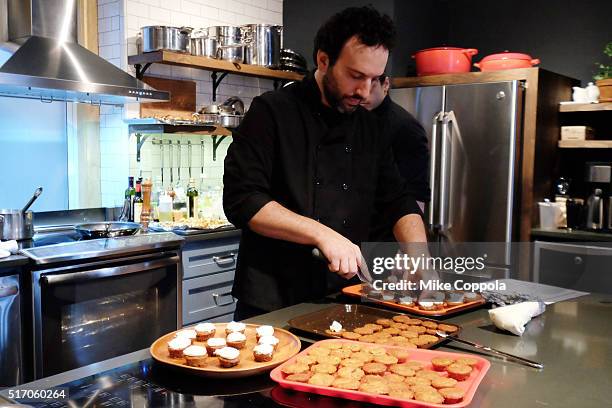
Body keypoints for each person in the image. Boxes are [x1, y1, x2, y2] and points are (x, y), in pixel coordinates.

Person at [223, 6, 428, 320]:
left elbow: (397, 200)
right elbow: (243, 200)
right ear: (323, 60)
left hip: (343, 298)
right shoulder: (271, 112)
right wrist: (322, 234)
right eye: (356, 76)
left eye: (375, 79)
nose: (364, 91)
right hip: (273, 304)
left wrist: (419, 258)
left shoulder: (370, 127)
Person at [362, 74, 430, 242]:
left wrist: (403, 252)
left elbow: (415, 195)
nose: (363, 92)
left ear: (386, 85)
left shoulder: (405, 127)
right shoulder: (358, 119)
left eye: (372, 85)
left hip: (387, 238)